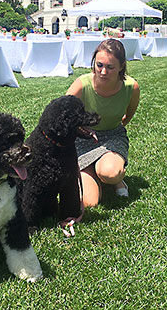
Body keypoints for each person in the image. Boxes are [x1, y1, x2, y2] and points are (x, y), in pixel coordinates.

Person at [66, 38, 140, 207]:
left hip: (112, 137)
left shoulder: (131, 87)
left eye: (110, 67)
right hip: (82, 141)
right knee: (89, 203)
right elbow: (61, 114)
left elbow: (128, 115)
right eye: (99, 65)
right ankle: (89, 170)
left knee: (110, 173)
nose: (103, 71)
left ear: (121, 66)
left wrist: (114, 126)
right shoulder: (82, 84)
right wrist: (80, 130)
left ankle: (116, 180)